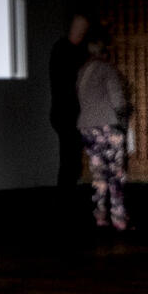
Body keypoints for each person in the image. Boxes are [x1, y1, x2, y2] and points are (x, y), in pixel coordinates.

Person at [75, 27, 133, 232]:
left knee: (98, 174)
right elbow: (118, 101)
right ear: (104, 50)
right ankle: (119, 218)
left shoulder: (82, 72)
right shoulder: (107, 70)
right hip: (109, 126)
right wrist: (124, 118)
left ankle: (100, 215)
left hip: (86, 127)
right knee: (116, 173)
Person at [47, 13, 90, 191]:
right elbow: (70, 81)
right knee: (69, 158)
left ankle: (67, 192)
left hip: (68, 112)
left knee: (70, 157)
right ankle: (65, 195)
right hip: (66, 112)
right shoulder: (64, 51)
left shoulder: (70, 50)